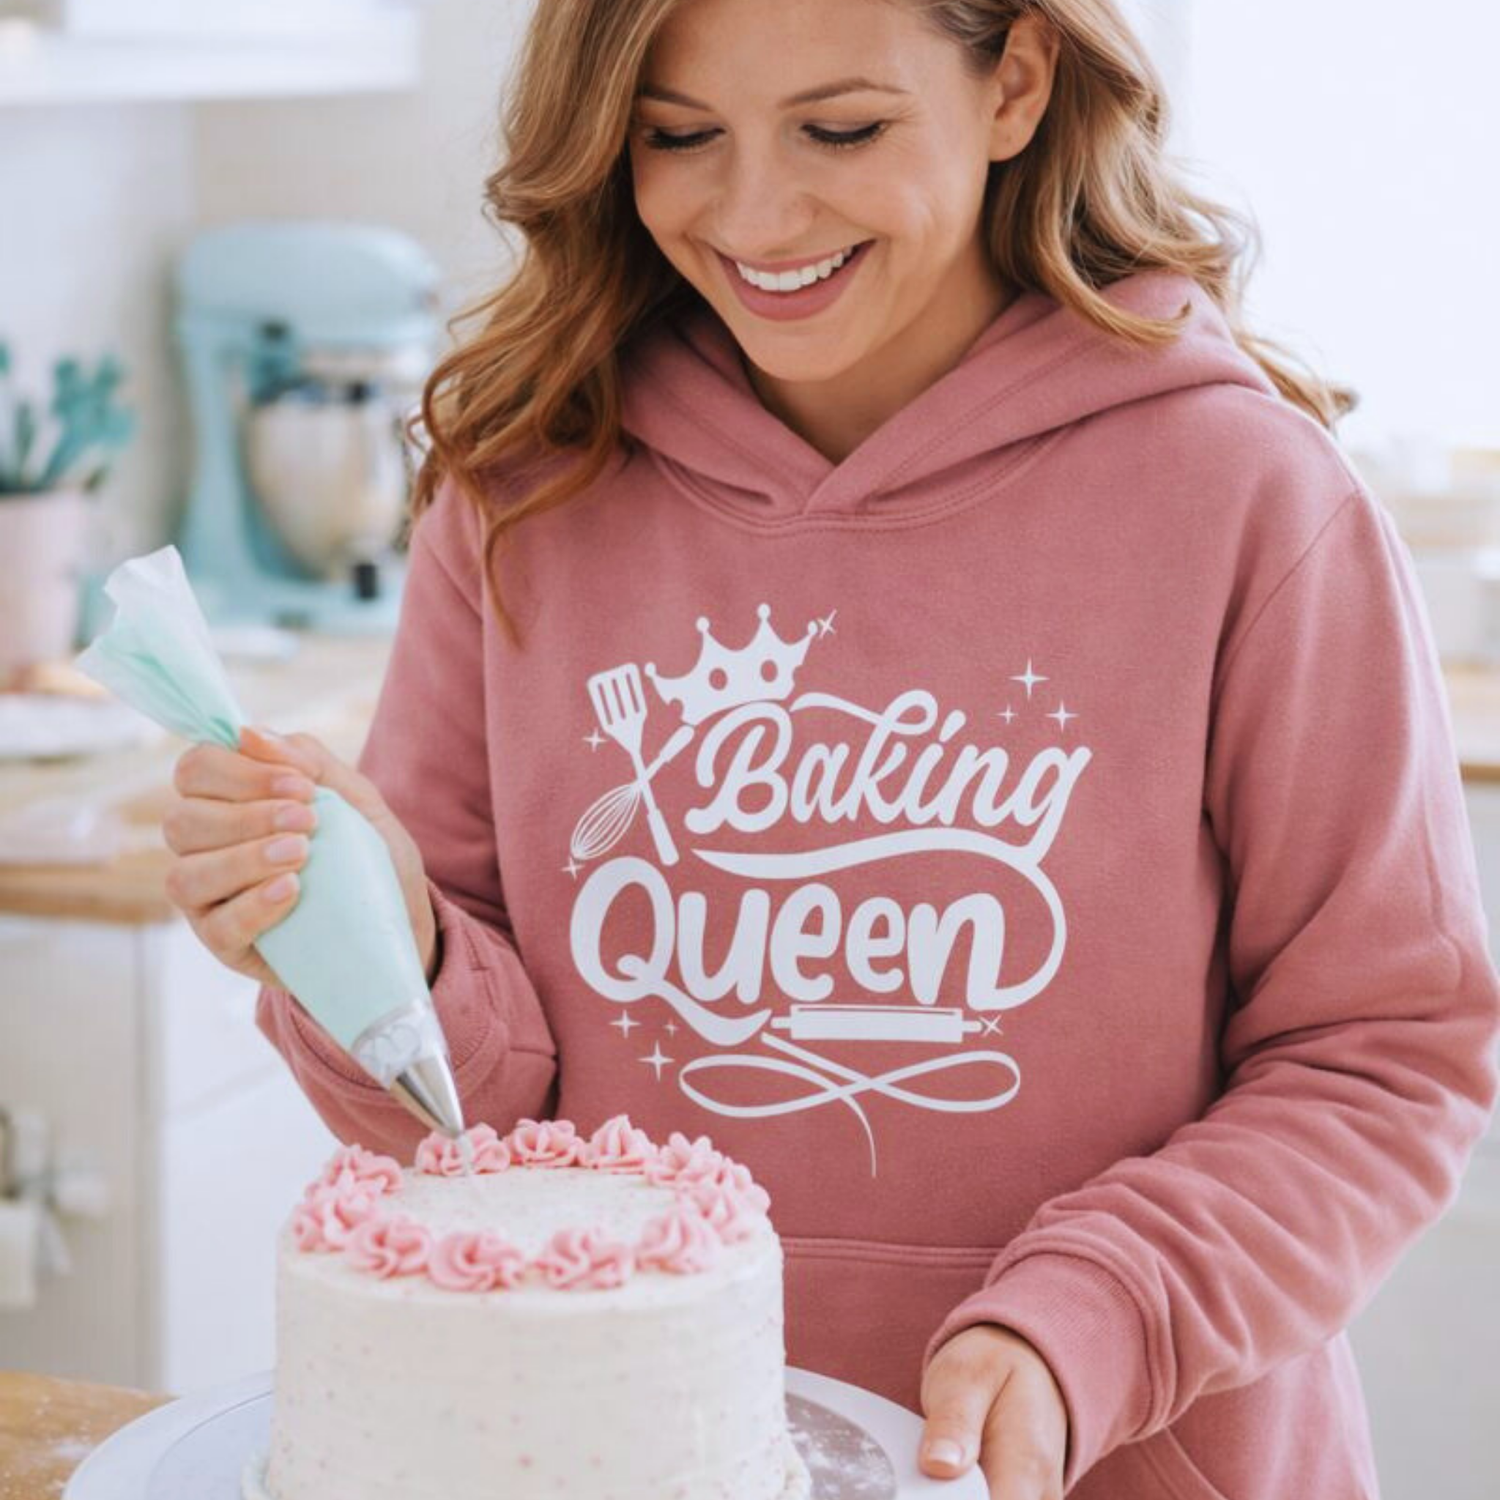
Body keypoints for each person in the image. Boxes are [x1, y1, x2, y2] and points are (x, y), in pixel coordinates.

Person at [161, 1, 1500, 1496]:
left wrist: (1091, 1322)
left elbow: (1382, 1056)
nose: (754, 213)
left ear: (1016, 82)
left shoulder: (1246, 500)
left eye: (840, 128)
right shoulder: (527, 490)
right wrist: (374, 947)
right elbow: (477, 1126)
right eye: (679, 137)